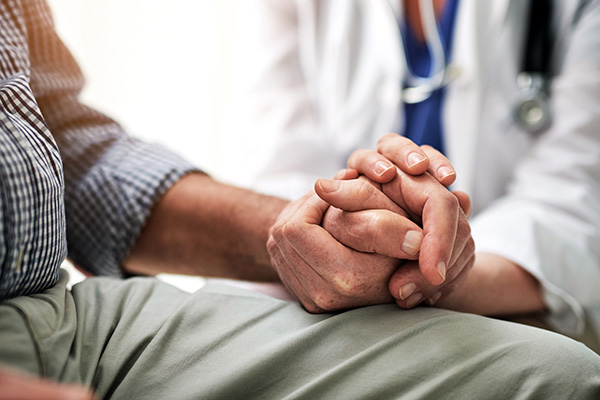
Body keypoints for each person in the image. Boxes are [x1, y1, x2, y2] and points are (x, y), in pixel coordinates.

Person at [1, 1, 600, 399]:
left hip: (64, 316)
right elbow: (283, 167)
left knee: (562, 379)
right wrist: (376, 246)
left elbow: (76, 152)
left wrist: (360, 245)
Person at [224, 0, 600, 349]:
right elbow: (279, 170)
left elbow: (572, 202)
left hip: (504, 308)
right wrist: (343, 233)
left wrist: (436, 271)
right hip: (318, 315)